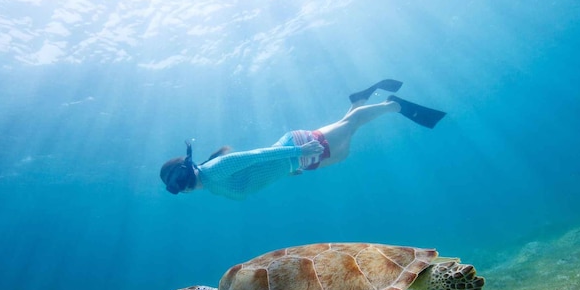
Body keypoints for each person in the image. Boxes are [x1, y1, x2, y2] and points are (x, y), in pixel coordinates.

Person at [160, 79, 446, 200]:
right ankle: (359, 99)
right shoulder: (211, 183)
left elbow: (257, 156)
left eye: (176, 182)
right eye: (174, 187)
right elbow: (257, 173)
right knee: (343, 150)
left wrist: (299, 150)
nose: (180, 189)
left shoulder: (213, 171)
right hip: (292, 161)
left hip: (296, 148)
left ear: (184, 172)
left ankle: (393, 105)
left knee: (351, 125)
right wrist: (290, 168)